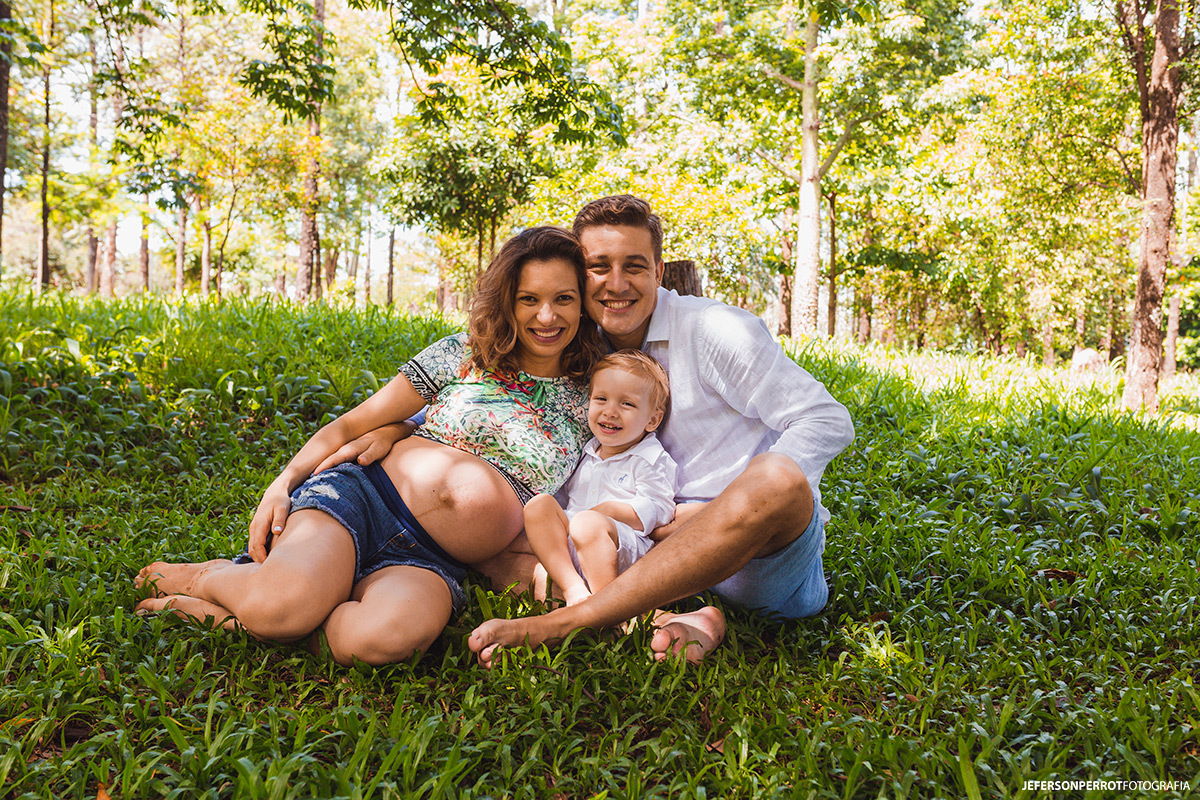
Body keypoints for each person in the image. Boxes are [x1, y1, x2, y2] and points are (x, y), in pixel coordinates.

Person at [340, 195, 855, 665]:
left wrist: (717, 512)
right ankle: (681, 617)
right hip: (635, 547)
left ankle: (572, 621)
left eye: (634, 266)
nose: (616, 283)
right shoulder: (578, 346)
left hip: (750, 558)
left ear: (658, 270)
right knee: (503, 528)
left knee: (777, 480)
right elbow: (500, 405)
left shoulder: (715, 330)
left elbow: (826, 420)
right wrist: (406, 427)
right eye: (598, 267)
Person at [134, 226, 605, 666]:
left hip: (432, 560)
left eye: (563, 298)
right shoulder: (463, 353)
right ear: (508, 302)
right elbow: (351, 425)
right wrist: (282, 484)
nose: (547, 316)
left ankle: (274, 605)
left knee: (378, 642)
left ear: (583, 303)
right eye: (529, 299)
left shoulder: (598, 393)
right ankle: (208, 578)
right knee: (280, 609)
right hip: (363, 499)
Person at [525, 349, 676, 608]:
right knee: (539, 505)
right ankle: (573, 588)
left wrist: (611, 511)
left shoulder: (648, 456)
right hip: (573, 545)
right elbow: (564, 501)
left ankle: (609, 607)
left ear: (653, 419)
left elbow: (661, 506)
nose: (610, 411)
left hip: (621, 547)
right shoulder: (587, 450)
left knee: (587, 524)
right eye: (601, 399)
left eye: (626, 404)